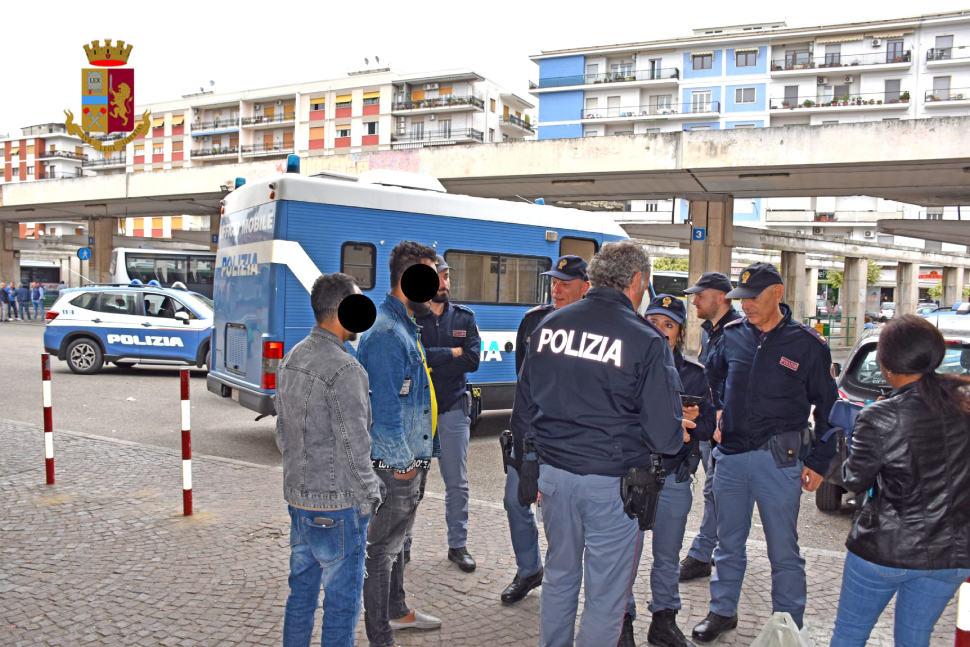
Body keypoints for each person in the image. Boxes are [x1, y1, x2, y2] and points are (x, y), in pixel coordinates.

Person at [512, 241, 689, 647]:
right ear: (637, 280)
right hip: (613, 486)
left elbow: (524, 410)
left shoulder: (549, 326)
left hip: (554, 479)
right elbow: (664, 436)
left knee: (559, 578)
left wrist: (528, 466)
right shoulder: (645, 338)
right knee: (606, 597)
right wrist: (678, 429)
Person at [692, 262, 839, 642]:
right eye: (742, 299)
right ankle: (722, 611)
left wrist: (820, 462)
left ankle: (788, 624)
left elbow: (829, 408)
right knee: (728, 544)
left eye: (754, 298)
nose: (747, 305)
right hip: (731, 457)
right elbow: (711, 375)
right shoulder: (732, 335)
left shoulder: (807, 344)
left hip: (778, 461)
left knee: (783, 551)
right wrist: (717, 410)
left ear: (777, 293)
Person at [830, 315, 970, 646]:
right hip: (951, 552)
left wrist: (846, 443)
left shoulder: (880, 416)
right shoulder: (963, 404)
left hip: (885, 548)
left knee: (850, 633)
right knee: (915, 637)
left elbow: (853, 478)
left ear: (886, 363)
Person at [276, 272, 383, 647]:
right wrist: (370, 497)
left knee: (300, 597)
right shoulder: (345, 369)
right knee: (341, 607)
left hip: (299, 502)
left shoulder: (292, 358)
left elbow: (282, 433)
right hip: (339, 508)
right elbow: (356, 447)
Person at [357, 240, 442, 647]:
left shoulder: (405, 324)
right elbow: (384, 412)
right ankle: (380, 636)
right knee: (382, 552)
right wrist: (404, 466)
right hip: (395, 465)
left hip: (411, 458)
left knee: (399, 545)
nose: (438, 288)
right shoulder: (388, 334)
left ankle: (397, 610)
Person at [621, 294, 716, 647]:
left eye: (668, 325)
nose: (660, 330)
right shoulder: (626, 365)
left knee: (667, 555)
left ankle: (663, 620)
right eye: (653, 322)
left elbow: (709, 428)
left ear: (681, 332)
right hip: (633, 477)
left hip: (674, 478)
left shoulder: (694, 374)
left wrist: (692, 420)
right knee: (625, 556)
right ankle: (622, 620)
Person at [501, 254, 590, 605]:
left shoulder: (593, 327)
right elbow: (523, 383)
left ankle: (559, 581)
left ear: (586, 287)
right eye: (553, 282)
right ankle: (529, 569)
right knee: (514, 501)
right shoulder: (533, 321)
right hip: (531, 431)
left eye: (565, 284)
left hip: (569, 438)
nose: (556, 289)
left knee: (561, 514)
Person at [414, 255, 481, 573]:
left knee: (457, 484)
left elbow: (472, 360)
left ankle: (458, 545)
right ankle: (403, 545)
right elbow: (414, 358)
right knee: (410, 483)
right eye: (438, 277)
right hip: (419, 413)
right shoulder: (412, 317)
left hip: (454, 409)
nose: (445, 283)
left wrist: (433, 361)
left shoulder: (464, 317)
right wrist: (450, 353)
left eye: (447, 277)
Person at [680, 272, 742, 583]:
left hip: (726, 428)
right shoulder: (713, 333)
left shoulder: (739, 333)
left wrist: (724, 417)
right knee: (714, 490)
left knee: (716, 490)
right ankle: (713, 549)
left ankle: (704, 553)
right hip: (709, 424)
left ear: (720, 297)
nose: (694, 302)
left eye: (700, 296)